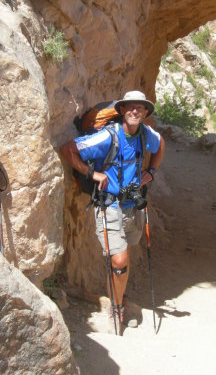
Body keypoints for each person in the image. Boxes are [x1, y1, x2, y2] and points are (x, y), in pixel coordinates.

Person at [60, 91, 165, 332]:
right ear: (122, 110)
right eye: (130, 107)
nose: (135, 111)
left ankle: (118, 299)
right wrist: (92, 174)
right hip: (109, 205)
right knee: (119, 260)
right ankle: (116, 309)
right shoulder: (108, 137)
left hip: (132, 205)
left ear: (146, 113)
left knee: (122, 259)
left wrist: (152, 172)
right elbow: (68, 150)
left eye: (140, 108)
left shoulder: (145, 134)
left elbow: (160, 146)